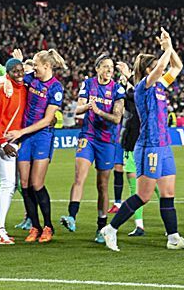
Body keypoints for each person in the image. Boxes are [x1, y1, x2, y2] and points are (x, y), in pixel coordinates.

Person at [99, 28, 184, 251]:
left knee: (168, 193)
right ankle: (111, 229)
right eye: (154, 66)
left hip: (164, 145)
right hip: (149, 146)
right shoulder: (144, 87)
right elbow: (164, 66)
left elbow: (177, 67)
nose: (159, 69)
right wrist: (167, 49)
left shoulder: (161, 85)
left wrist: (170, 45)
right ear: (147, 70)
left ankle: (173, 238)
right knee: (143, 195)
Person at [64, 53, 126, 239]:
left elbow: (117, 118)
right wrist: (88, 107)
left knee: (102, 185)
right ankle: (71, 216)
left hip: (107, 140)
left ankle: (101, 227)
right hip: (88, 136)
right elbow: (78, 109)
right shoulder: (88, 84)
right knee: (79, 176)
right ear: (97, 68)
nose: (109, 70)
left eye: (111, 68)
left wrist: (98, 111)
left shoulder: (117, 89)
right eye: (105, 66)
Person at [8, 48, 67, 243]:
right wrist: (16, 63)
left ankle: (48, 226)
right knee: (24, 184)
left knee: (36, 183)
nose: (33, 68)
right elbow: (10, 76)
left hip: (42, 136)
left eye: (36, 65)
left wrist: (21, 132)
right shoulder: (31, 78)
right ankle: (35, 226)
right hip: (25, 137)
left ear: (47, 66)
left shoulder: (56, 88)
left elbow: (47, 119)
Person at [0, 55, 26, 245]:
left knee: (8, 185)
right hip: (5, 144)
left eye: (21, 70)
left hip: (12, 142)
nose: (19, 74)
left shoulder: (21, 88)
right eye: (15, 71)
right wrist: (2, 143)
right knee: (8, 184)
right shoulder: (3, 91)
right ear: (8, 73)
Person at [108, 59, 146, 237]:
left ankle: (170, 224)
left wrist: (127, 78)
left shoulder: (145, 89)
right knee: (135, 184)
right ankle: (140, 225)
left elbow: (138, 94)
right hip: (130, 142)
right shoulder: (128, 91)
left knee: (153, 187)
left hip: (144, 141)